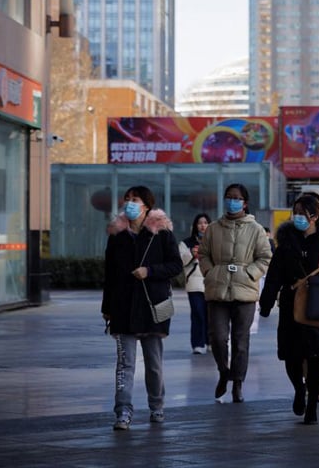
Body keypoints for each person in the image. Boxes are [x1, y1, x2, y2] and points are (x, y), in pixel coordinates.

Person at [101, 185, 182, 430]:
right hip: (123, 307)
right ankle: (123, 412)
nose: (129, 203)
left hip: (151, 306)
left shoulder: (162, 233)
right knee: (124, 364)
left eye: (134, 199)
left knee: (153, 362)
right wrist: (107, 307)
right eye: (127, 199)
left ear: (146, 205)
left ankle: (157, 406)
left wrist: (150, 271)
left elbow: (175, 266)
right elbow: (109, 274)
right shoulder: (117, 235)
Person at [259, 194, 319, 425]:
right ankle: (299, 388)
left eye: (303, 213)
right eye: (295, 212)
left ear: (315, 216)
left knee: (315, 353)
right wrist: (266, 303)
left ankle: (311, 406)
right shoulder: (287, 242)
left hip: (317, 304)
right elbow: (274, 275)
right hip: (290, 303)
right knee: (291, 354)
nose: (298, 217)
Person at [198, 183, 272, 403]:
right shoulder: (213, 228)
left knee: (241, 341)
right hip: (217, 291)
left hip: (245, 293)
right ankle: (223, 371)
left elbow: (265, 257)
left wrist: (250, 273)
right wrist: (211, 272)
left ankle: (238, 382)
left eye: (237, 198)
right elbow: (203, 254)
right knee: (218, 338)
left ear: (245, 203)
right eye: (229, 197)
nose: (232, 201)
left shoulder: (256, 229)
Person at [179, 213, 211, 355]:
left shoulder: (215, 241)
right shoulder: (186, 243)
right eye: (200, 223)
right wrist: (191, 253)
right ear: (195, 226)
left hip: (211, 283)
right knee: (198, 313)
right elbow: (180, 261)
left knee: (211, 314)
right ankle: (198, 344)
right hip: (194, 283)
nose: (203, 225)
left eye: (205, 222)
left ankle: (211, 342)